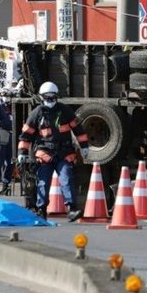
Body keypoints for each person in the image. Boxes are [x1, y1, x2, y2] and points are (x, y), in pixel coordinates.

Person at [17, 81, 88, 221]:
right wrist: (22, 153)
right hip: (44, 154)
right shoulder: (37, 113)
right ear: (42, 98)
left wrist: (84, 146)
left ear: (57, 97)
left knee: (66, 179)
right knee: (43, 182)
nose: (50, 101)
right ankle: (41, 210)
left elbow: (78, 129)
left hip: (64, 153)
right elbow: (26, 135)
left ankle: (71, 209)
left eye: (52, 98)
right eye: (47, 98)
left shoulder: (65, 111)